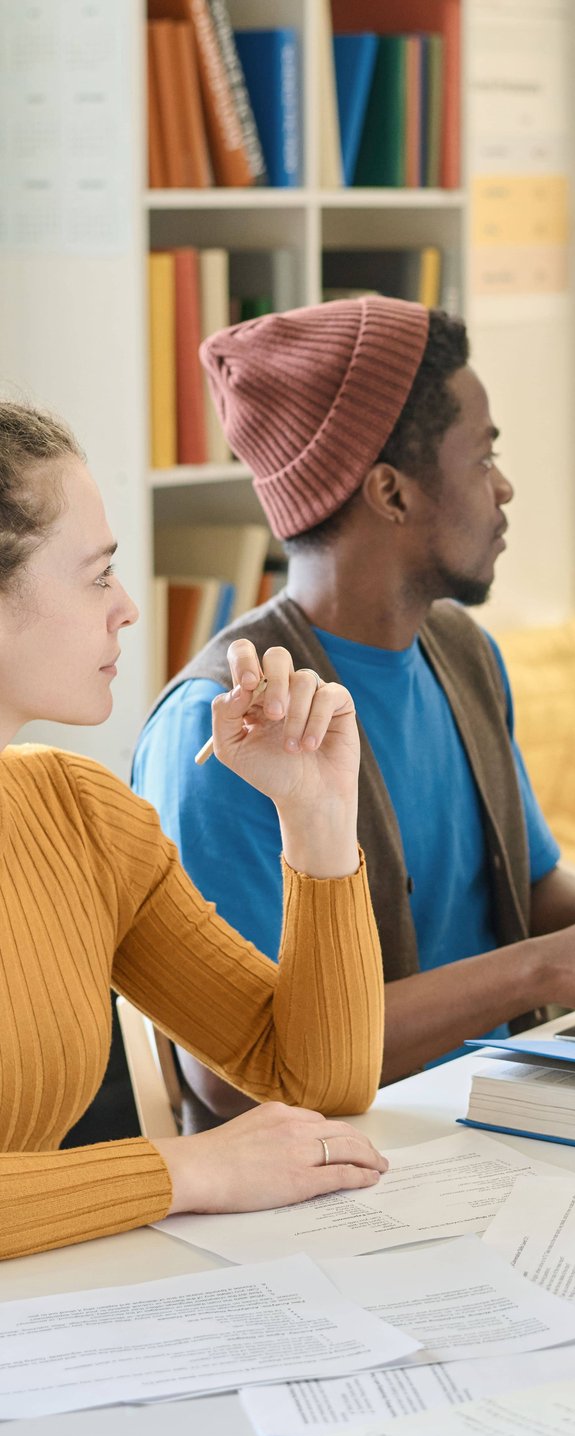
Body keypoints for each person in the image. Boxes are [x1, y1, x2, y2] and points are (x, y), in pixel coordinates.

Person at [131, 297, 575, 1127]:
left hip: (504, 1115)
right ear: (391, 493)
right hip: (352, 1162)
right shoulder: (228, 730)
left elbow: (526, 889)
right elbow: (234, 1076)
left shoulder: (460, 651)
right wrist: (545, 969)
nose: (503, 487)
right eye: (483, 456)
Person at [0, 401, 389, 1263]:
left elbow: (314, 1083)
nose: (128, 608)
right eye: (98, 575)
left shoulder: (78, 814)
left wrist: (317, 815)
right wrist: (191, 1169)